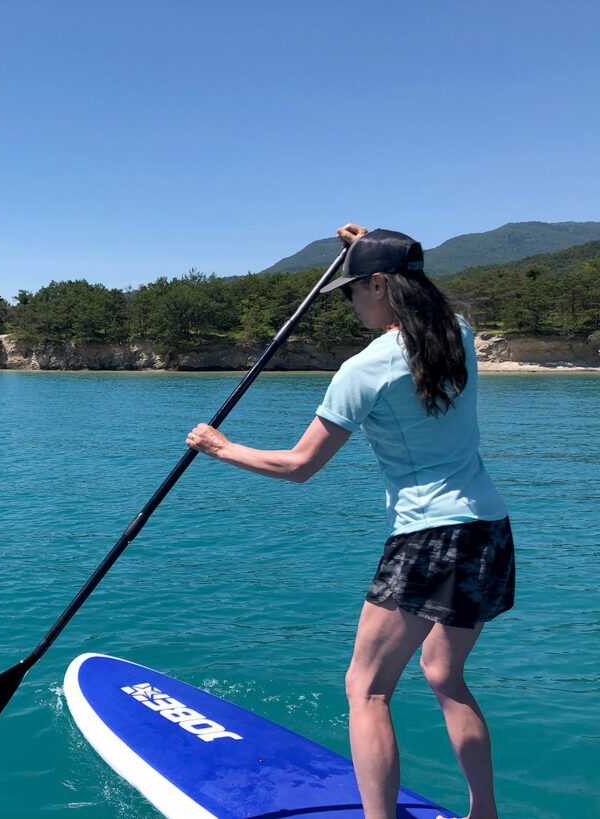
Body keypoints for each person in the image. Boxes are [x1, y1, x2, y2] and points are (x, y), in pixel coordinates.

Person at [185, 223, 514, 819]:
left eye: (353, 289)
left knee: (367, 690)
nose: (349, 301)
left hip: (428, 538)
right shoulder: (458, 334)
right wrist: (368, 243)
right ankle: (485, 814)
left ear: (381, 284)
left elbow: (298, 465)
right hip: (488, 530)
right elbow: (413, 278)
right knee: (444, 674)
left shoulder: (366, 368)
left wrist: (220, 447)